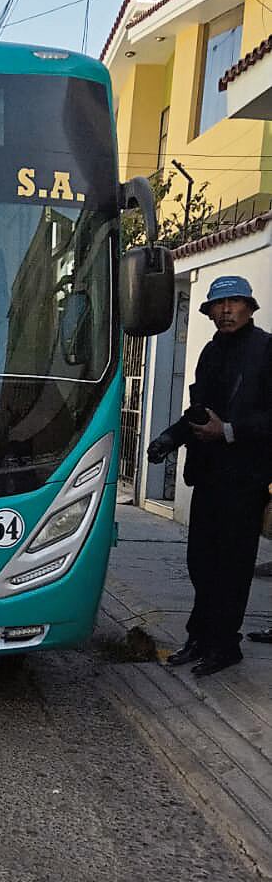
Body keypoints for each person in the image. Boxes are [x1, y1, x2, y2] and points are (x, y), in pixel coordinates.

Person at [147, 274, 272, 677]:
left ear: (250, 308)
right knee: (201, 562)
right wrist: (170, 437)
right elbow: (200, 410)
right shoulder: (211, 351)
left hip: (245, 479)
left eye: (234, 302)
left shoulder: (266, 350)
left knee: (232, 567)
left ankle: (225, 645)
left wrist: (229, 431)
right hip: (208, 476)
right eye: (219, 304)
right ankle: (199, 636)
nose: (226, 310)